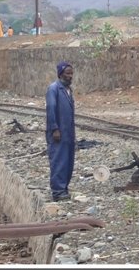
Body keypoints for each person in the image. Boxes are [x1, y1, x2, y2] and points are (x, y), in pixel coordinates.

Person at [46, 61, 76, 201]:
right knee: (59, 160)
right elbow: (51, 109)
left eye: (71, 73)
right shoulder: (53, 89)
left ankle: (64, 188)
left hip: (68, 132)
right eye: (67, 73)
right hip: (58, 132)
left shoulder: (68, 90)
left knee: (68, 161)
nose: (70, 76)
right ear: (60, 74)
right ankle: (57, 191)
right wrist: (54, 129)